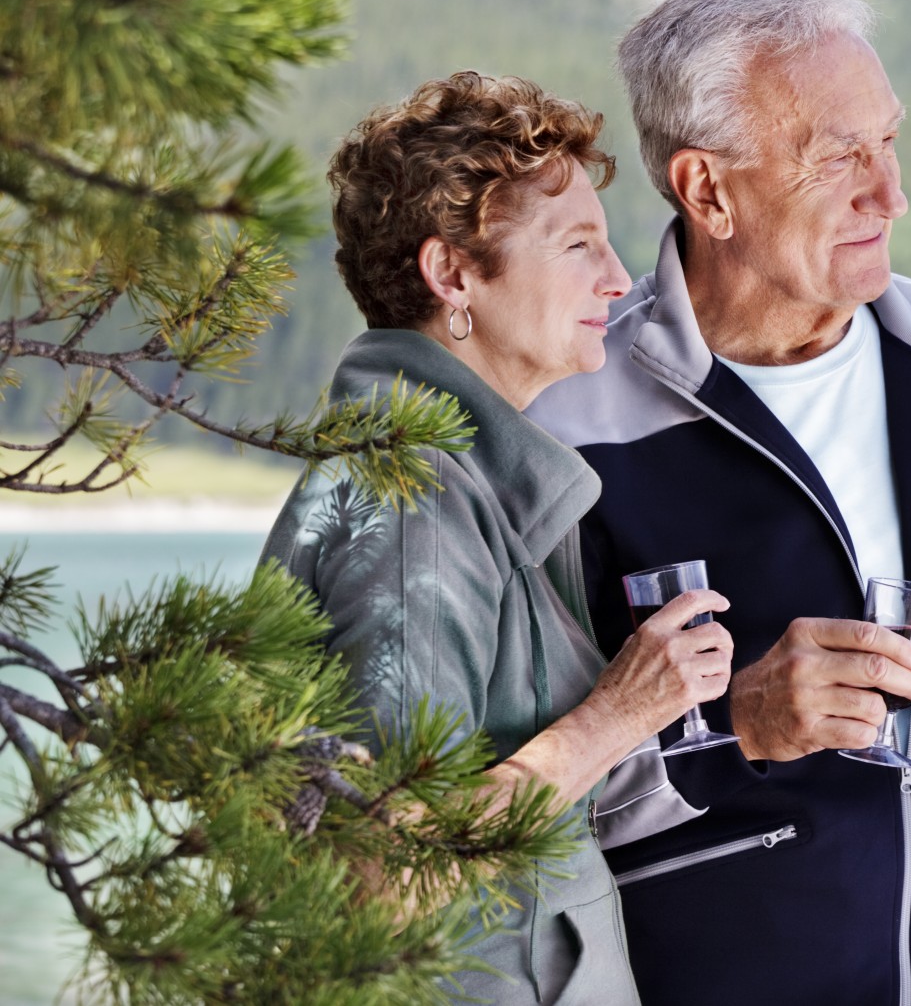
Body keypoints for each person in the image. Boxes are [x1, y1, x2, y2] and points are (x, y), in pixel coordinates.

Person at [528, 0, 911, 1005]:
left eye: (887, 142)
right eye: (837, 156)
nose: (891, 195)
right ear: (706, 189)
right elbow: (506, 797)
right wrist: (733, 725)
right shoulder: (567, 418)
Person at [260, 73, 736, 1005]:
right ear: (454, 275)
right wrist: (614, 717)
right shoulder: (411, 511)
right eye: (577, 245)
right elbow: (377, 874)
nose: (618, 277)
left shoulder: (458, 481)